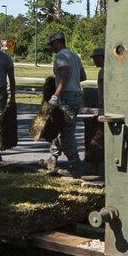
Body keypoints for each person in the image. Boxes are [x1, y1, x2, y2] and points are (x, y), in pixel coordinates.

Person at [45, 30, 86, 178]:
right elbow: (82, 76)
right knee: (58, 128)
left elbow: (63, 76)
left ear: (57, 42)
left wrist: (56, 96)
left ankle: (76, 166)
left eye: (52, 44)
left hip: (66, 98)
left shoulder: (61, 56)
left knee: (67, 134)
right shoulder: (75, 56)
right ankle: (52, 160)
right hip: (76, 96)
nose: (51, 47)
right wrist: (72, 84)